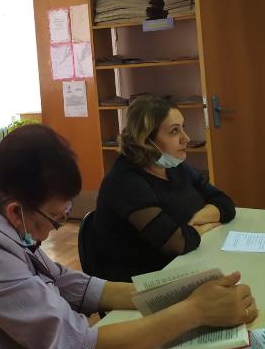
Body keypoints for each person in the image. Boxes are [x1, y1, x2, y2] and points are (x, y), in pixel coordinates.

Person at [0, 124, 257, 349]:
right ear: (15, 211)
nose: (54, 229)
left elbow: (68, 284)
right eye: (54, 219)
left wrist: (177, 292)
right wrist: (195, 311)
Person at [85, 95, 236, 282]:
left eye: (183, 128)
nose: (186, 138)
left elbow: (225, 203)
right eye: (174, 131)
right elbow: (176, 243)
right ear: (146, 140)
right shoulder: (125, 182)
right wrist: (203, 229)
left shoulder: (173, 167)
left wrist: (196, 221)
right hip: (141, 281)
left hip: (184, 263)